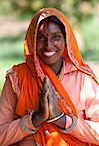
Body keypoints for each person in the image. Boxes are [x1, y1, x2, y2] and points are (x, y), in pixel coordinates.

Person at [0, 8, 99, 146]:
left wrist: (61, 119)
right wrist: (35, 119)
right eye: (41, 37)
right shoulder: (17, 78)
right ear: (32, 41)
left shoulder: (83, 79)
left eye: (56, 37)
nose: (48, 44)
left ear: (66, 40)